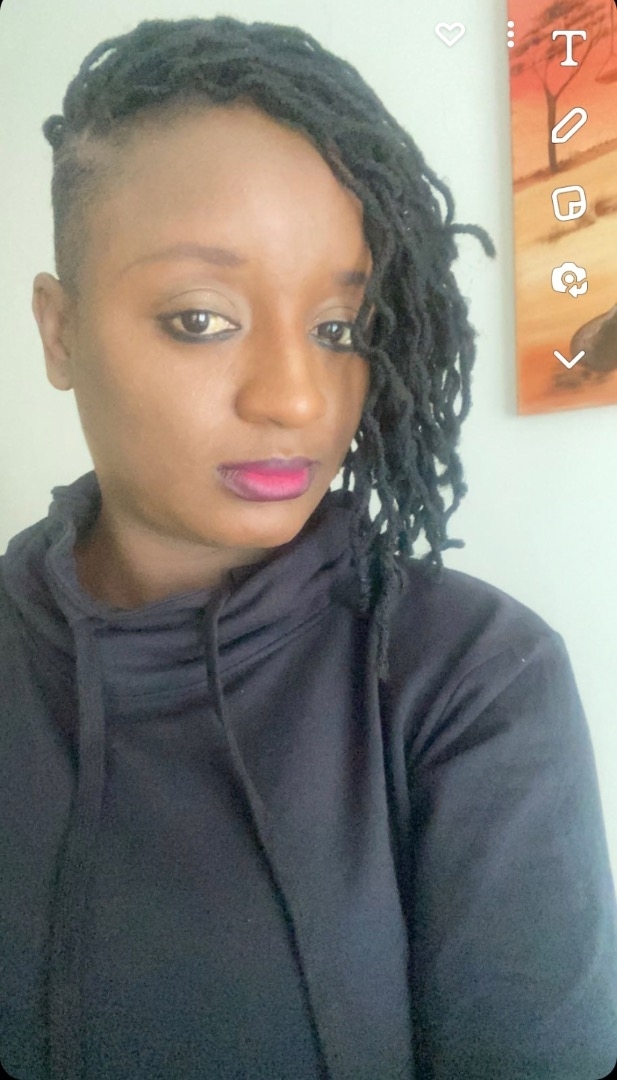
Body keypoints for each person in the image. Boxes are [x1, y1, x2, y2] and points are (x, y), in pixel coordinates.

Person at [0, 15, 615, 1080]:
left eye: (338, 329)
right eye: (201, 319)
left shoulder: (472, 680)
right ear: (60, 331)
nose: (294, 398)